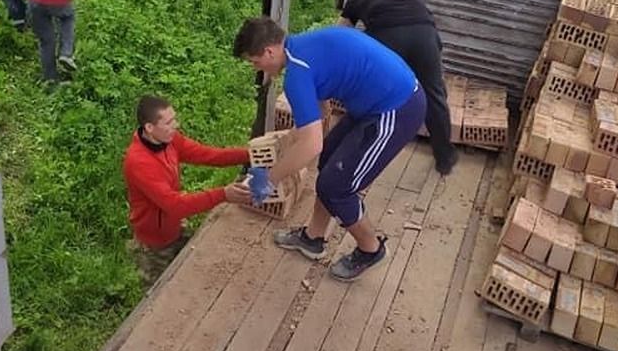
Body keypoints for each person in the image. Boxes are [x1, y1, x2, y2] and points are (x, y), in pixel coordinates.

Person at [233, 17, 426, 281]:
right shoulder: (305, 46)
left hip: (396, 108)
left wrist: (268, 179)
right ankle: (313, 238)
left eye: (256, 62)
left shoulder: (297, 75)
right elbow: (321, 113)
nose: (259, 69)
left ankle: (371, 249)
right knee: (330, 162)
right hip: (374, 102)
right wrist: (289, 143)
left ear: (269, 51)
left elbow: (311, 143)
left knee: (336, 187)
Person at [340, 0, 458, 176]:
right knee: (435, 95)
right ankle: (445, 158)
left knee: (372, 92)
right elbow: (426, 16)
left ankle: (358, 149)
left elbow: (343, 30)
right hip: (424, 36)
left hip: (387, 36)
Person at [122, 95, 252, 286]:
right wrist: (223, 194)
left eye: (174, 118)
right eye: (168, 122)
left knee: (191, 272)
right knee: (160, 294)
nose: (175, 125)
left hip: (173, 225)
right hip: (155, 242)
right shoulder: (139, 163)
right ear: (149, 128)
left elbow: (208, 155)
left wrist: (249, 154)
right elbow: (175, 205)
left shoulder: (169, 140)